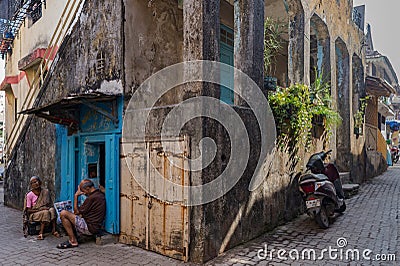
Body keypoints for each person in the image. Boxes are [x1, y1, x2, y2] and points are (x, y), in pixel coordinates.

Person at [57, 179, 106, 249]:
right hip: (95, 226)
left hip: (90, 227)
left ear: (88, 188)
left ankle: (73, 241)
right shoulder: (98, 194)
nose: (83, 193)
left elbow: (76, 212)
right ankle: (75, 236)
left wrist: (76, 196)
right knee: (71, 215)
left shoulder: (92, 198)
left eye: (83, 191)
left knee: (63, 213)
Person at [25, 176, 60, 240]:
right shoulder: (29, 195)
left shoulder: (45, 192)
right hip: (34, 213)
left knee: (52, 210)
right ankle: (41, 233)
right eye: (34, 182)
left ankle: (54, 230)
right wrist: (39, 209)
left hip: (45, 209)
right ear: (31, 185)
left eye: (38, 181)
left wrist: (46, 207)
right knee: (45, 212)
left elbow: (49, 204)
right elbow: (28, 210)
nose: (37, 183)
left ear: (40, 182)